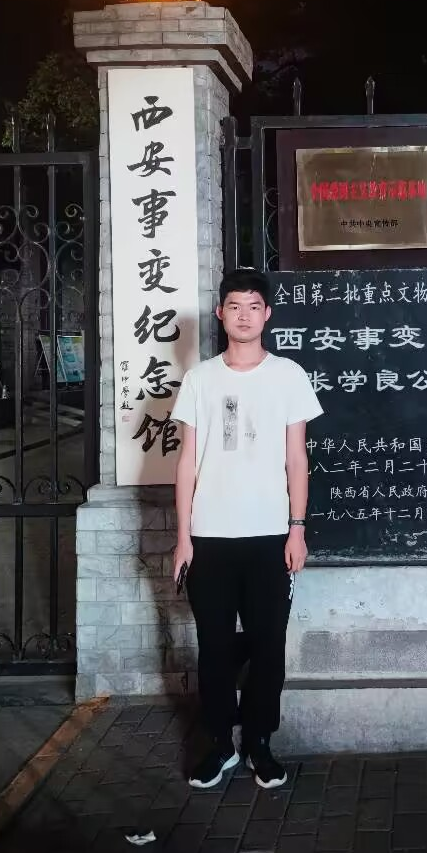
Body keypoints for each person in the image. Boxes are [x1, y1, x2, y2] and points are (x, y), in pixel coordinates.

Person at [172, 268, 323, 789]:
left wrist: (296, 529)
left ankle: (259, 742)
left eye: (253, 305)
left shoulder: (288, 375)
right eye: (234, 305)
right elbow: (187, 462)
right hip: (209, 537)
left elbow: (297, 459)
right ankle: (220, 744)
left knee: (267, 644)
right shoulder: (200, 379)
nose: (243, 315)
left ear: (267, 314)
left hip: (269, 536)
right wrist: (184, 537)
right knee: (213, 646)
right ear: (220, 314)